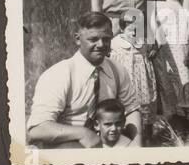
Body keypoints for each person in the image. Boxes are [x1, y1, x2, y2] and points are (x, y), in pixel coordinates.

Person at [26, 12, 142, 148]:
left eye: (106, 39)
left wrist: (137, 141)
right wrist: (83, 133)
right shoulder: (59, 74)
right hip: (69, 143)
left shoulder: (117, 69)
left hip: (107, 139)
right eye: (93, 39)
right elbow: (37, 129)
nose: (100, 45)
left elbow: (131, 110)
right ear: (77, 39)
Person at [109, 8, 157, 121]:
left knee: (144, 104)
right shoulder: (115, 43)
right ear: (122, 28)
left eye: (138, 30)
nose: (135, 33)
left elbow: (155, 45)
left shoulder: (143, 42)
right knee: (123, 101)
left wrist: (154, 49)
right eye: (131, 30)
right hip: (125, 78)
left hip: (142, 79)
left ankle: (146, 130)